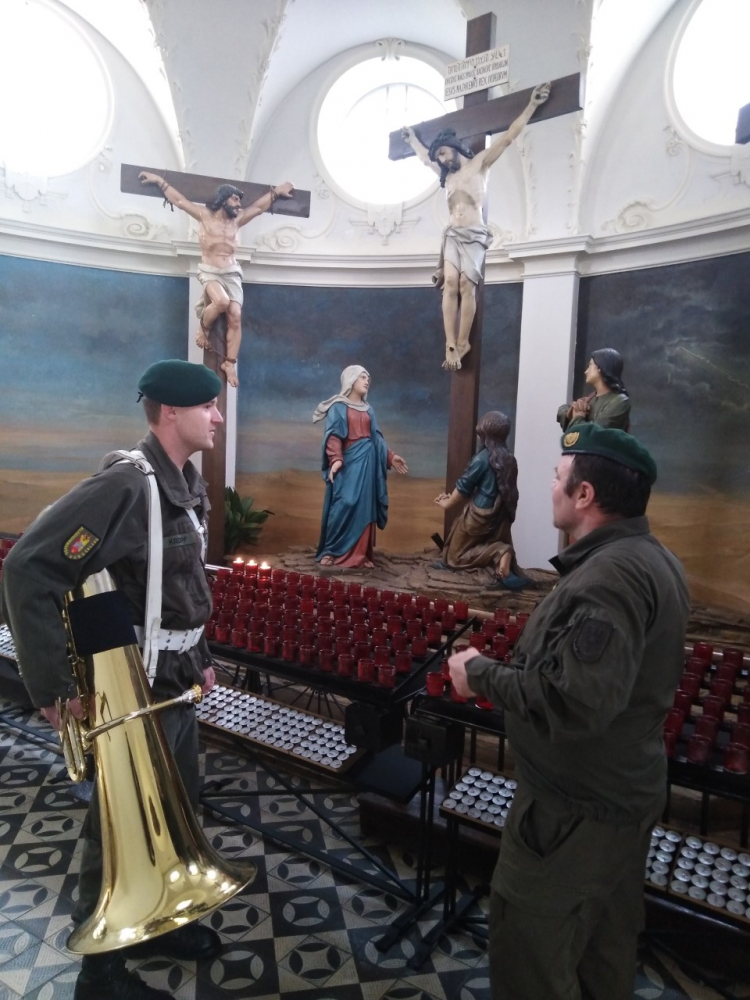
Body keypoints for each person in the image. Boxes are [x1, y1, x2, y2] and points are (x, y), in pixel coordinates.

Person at [0, 360, 227, 1000]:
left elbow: (182, 588)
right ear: (170, 413)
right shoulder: (129, 485)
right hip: (135, 692)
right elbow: (29, 569)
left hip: (176, 683)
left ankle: (160, 923)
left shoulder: (184, 483)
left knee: (176, 813)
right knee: (119, 827)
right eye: (207, 406)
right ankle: (99, 974)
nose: (216, 416)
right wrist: (50, 685)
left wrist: (200, 653)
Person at [448, 423, 690, 1000]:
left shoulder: (609, 579)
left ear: (585, 495)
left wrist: (477, 673)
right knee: (602, 955)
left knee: (532, 955)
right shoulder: (648, 558)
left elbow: (574, 703)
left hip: (572, 816)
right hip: (614, 802)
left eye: (558, 477)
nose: (550, 487)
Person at [401, 83, 550, 371]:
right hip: (453, 236)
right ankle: (450, 343)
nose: (442, 160)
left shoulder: (479, 165)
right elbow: (423, 159)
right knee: (450, 286)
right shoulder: (447, 176)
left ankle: (464, 340)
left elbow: (508, 138)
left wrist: (532, 105)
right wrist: (411, 141)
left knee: (468, 286)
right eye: (439, 157)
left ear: (455, 147)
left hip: (475, 235)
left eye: (444, 153)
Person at [139, 173, 295, 388]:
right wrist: (160, 181)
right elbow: (180, 201)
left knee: (236, 315)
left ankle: (229, 363)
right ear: (223, 199)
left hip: (231, 271)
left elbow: (258, 208)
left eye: (239, 200)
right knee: (220, 302)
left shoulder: (237, 221)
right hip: (210, 270)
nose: (239, 204)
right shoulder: (205, 215)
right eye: (235, 199)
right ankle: (202, 328)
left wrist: (276, 191)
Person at [313, 366, 408, 568]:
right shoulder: (338, 407)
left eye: (368, 378)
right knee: (344, 503)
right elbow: (333, 435)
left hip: (368, 465)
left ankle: (360, 554)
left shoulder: (368, 410)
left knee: (365, 508)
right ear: (351, 380)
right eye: (362, 377)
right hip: (348, 464)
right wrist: (336, 459)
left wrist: (391, 457)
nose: (366, 381)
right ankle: (332, 549)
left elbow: (377, 439)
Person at [434, 410, 529, 590]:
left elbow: (464, 487)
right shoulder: (509, 459)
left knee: (455, 558)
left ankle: (501, 552)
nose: (479, 438)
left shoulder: (481, 459)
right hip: (499, 516)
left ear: (487, 435)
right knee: (455, 544)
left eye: (480, 434)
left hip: (478, 515)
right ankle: (499, 554)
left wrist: (447, 503)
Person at [557, 347, 631, 431]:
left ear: (600, 367)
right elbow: (562, 410)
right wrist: (572, 411)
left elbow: (595, 433)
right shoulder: (590, 399)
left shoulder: (620, 401)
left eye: (590, 365)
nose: (586, 372)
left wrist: (578, 417)